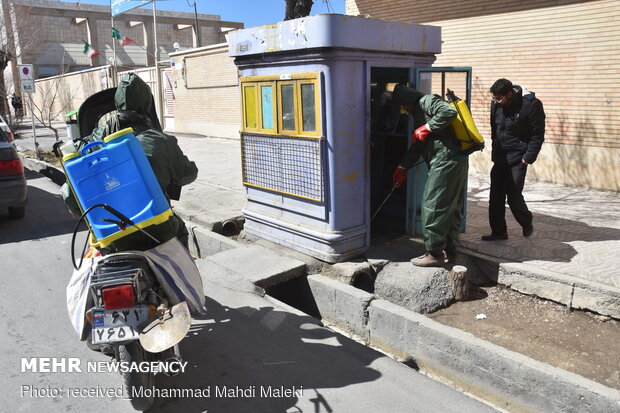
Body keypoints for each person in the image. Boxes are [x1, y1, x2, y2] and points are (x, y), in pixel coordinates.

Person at [61, 73, 198, 253]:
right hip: (158, 230)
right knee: (180, 230)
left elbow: (71, 193)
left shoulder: (91, 143)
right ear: (148, 104)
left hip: (110, 238)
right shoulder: (161, 141)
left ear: (117, 104)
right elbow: (186, 174)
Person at [391, 85, 469, 267]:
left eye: (402, 107)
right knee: (450, 207)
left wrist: (427, 127)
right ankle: (451, 250)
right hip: (449, 161)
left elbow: (449, 112)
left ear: (406, 102)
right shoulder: (417, 112)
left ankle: (434, 253)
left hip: (446, 161)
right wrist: (403, 167)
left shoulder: (427, 101)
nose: (403, 111)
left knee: (433, 205)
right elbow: (419, 144)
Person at [482, 78, 545, 241]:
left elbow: (537, 135)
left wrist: (527, 158)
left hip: (518, 157)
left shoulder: (531, 105)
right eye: (494, 98)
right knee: (495, 197)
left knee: (513, 194)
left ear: (509, 94)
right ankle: (499, 232)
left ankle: (526, 220)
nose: (496, 101)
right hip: (500, 157)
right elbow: (494, 128)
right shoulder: (495, 103)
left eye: (499, 98)